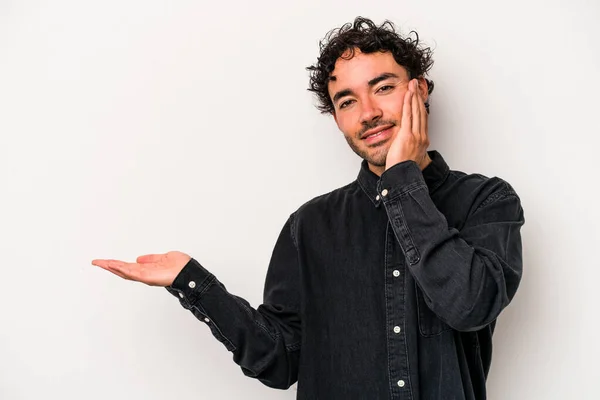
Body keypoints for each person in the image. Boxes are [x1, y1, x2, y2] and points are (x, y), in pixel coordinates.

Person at [92, 16, 525, 400]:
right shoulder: (309, 227)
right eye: (347, 101)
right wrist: (195, 283)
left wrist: (402, 180)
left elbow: (470, 304)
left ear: (420, 89)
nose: (369, 113)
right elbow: (280, 362)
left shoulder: (486, 202)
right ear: (336, 117)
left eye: (384, 88)